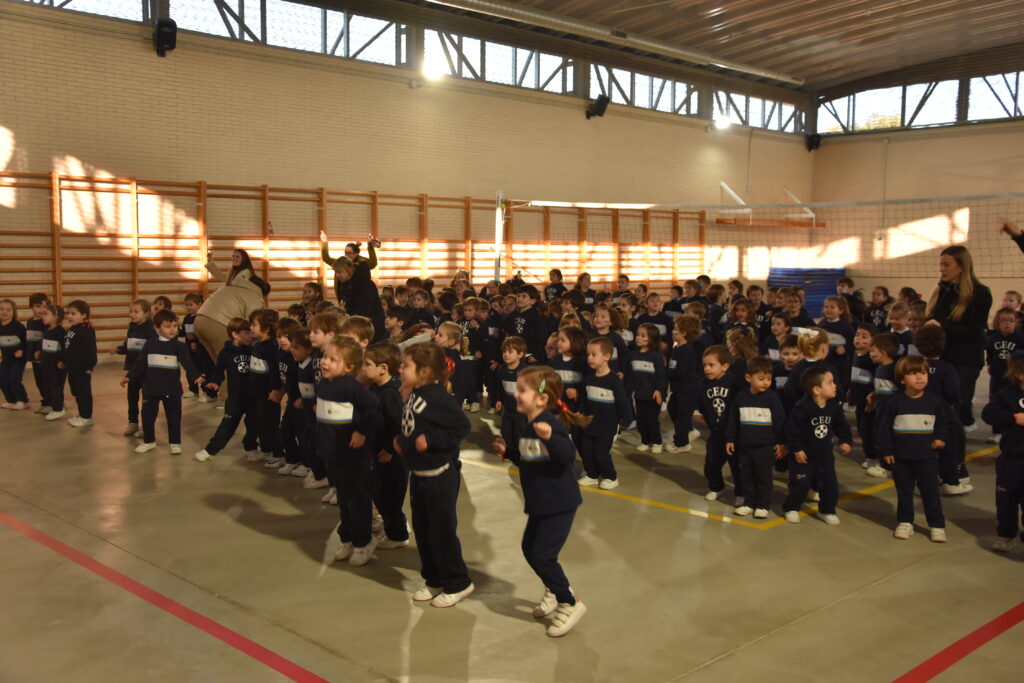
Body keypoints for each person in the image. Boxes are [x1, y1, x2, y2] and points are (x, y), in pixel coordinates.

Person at [494, 366, 590, 637]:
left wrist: (550, 438)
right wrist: (509, 452)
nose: (516, 393)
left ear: (542, 399)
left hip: (559, 502)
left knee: (543, 555)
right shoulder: (529, 425)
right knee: (529, 549)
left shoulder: (549, 424)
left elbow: (566, 456)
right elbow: (530, 456)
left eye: (522, 390)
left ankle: (570, 602)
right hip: (540, 501)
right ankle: (554, 586)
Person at [394, 342, 474, 608]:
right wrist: (402, 441)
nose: (401, 369)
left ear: (425, 372)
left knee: (442, 532)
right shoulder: (416, 392)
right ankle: (434, 578)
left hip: (439, 476)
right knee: (424, 530)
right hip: (419, 475)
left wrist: (432, 439)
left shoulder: (438, 397)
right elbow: (412, 424)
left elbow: (461, 426)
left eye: (406, 366)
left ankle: (458, 581)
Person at [319, 337, 381, 567]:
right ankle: (347, 538)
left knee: (358, 500)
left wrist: (361, 432)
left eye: (333, 360)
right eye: (325, 357)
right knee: (343, 500)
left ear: (348, 367)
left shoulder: (349, 386)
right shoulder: (325, 383)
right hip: (333, 455)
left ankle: (364, 541)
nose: (325, 362)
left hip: (352, 455)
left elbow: (372, 406)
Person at [876, 356, 950, 542]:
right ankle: (905, 522)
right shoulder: (895, 402)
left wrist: (940, 438)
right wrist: (886, 450)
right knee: (904, 492)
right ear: (902, 379)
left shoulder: (934, 402)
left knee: (930, 492)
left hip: (927, 458)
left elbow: (943, 422)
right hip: (901, 458)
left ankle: (937, 525)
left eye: (923, 373)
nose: (919, 377)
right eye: (913, 373)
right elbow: (884, 428)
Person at [924, 245, 992, 433]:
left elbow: (974, 331)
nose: (941, 269)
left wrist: (942, 327)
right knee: (938, 404)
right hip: (943, 356)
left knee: (956, 406)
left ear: (961, 266)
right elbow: (936, 318)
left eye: (946, 265)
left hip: (966, 360)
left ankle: (956, 457)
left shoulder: (980, 293)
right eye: (940, 264)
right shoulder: (943, 291)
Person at [124, 310, 203, 455]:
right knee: (147, 418)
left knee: (173, 418)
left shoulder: (179, 346)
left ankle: (175, 442)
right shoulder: (149, 344)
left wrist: (196, 376)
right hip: (151, 389)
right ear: (157, 327)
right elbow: (140, 363)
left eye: (174, 326)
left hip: (172, 389)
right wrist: (129, 376)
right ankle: (149, 441)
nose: (172, 329)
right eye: (167, 326)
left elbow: (187, 363)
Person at [195, 248, 269, 402]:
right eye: (233, 256)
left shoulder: (239, 283)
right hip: (217, 322)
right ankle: (226, 399)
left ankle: (212, 394)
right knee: (230, 363)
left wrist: (210, 264)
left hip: (200, 318)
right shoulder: (254, 294)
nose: (234, 258)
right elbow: (253, 319)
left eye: (237, 256)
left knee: (219, 362)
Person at [783, 367, 853, 525]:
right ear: (816, 389)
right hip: (803, 456)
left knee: (830, 484)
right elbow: (792, 430)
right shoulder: (802, 408)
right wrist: (797, 449)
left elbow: (842, 426)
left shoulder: (833, 406)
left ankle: (827, 509)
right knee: (800, 484)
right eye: (830, 383)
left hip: (825, 455)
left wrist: (845, 440)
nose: (835, 385)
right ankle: (792, 507)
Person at [725, 356, 786, 518]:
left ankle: (763, 505)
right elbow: (733, 420)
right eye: (761, 379)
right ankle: (748, 503)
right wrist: (730, 439)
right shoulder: (741, 397)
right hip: (744, 446)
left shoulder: (772, 398)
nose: (766, 382)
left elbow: (780, 421)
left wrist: (780, 442)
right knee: (746, 477)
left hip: (765, 447)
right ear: (748, 378)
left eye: (768, 379)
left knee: (763, 478)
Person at [194, 318, 258, 462]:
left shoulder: (254, 349)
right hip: (235, 397)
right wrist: (215, 383)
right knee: (228, 424)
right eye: (246, 332)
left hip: (252, 396)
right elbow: (219, 371)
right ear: (235, 334)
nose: (251, 335)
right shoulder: (226, 352)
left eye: (251, 332)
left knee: (254, 424)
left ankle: (251, 448)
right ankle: (211, 450)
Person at [980, 350, 1024, 552]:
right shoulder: (1006, 395)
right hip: (1012, 458)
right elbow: (989, 414)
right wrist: (1014, 418)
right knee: (1006, 499)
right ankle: (1006, 534)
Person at [578, 337, 632, 489]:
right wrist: (580, 415)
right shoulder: (589, 379)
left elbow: (623, 401)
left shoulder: (614, 381)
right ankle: (592, 474)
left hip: (607, 426)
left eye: (594, 354)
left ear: (607, 357)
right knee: (587, 451)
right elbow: (585, 400)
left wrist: (626, 419)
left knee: (601, 453)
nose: (589, 358)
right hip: (590, 425)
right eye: (588, 354)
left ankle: (610, 476)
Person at [699, 345, 740, 504]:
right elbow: (702, 404)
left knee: (737, 466)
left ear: (725, 366)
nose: (707, 369)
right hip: (716, 433)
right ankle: (716, 487)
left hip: (734, 435)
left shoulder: (733, 383)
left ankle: (741, 493)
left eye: (711, 365)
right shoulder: (703, 384)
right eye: (704, 365)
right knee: (711, 464)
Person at [116, 299, 156, 437]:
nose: (132, 314)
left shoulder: (150, 330)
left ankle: (146, 427)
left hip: (147, 371)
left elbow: (153, 349)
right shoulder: (132, 327)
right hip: (133, 370)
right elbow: (129, 344)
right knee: (132, 397)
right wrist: (120, 349)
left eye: (136, 312)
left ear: (146, 313)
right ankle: (133, 422)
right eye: (130, 311)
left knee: (146, 400)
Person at [626, 323, 668, 452]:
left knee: (652, 420)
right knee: (641, 420)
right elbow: (630, 376)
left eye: (643, 336)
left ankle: (656, 442)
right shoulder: (633, 355)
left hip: (653, 395)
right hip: (639, 394)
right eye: (638, 335)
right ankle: (645, 440)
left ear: (652, 339)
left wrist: (659, 391)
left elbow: (662, 376)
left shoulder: (655, 356)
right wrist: (630, 391)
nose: (638, 337)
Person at [331, 256, 386, 342]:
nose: (337, 275)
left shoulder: (365, 284)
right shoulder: (345, 284)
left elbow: (365, 309)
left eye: (339, 272)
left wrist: (347, 318)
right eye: (335, 272)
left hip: (371, 326)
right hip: (356, 324)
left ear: (349, 269)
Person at [62, 300, 97, 427]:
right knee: (76, 392)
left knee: (83, 393)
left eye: (73, 313)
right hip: (72, 368)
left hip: (82, 369)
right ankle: (82, 413)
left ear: (83, 315)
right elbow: (68, 347)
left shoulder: (87, 330)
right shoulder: (72, 329)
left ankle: (87, 416)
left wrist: (89, 366)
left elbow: (91, 350)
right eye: (68, 313)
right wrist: (64, 361)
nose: (69, 316)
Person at [320, 231, 379, 300]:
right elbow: (326, 258)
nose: (347, 255)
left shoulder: (362, 263)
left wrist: (370, 247)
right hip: (342, 294)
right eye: (345, 253)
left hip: (358, 296)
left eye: (349, 253)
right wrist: (325, 242)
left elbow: (373, 263)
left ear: (356, 253)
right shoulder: (341, 263)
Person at [0, 298, 28, 409]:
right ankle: (11, 400)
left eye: (8, 310)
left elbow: (25, 341)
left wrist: (21, 350)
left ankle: (23, 400)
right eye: (1, 309)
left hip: (19, 359)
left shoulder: (18, 327)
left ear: (13, 312)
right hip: (6, 359)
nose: (4, 312)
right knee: (2, 378)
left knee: (13, 379)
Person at [39, 304, 66, 421]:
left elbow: (65, 349)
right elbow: (47, 346)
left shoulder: (60, 332)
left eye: (46, 314)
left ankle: (58, 409)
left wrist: (62, 360)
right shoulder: (47, 330)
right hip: (47, 365)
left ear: (55, 317)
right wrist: (40, 353)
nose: (43, 316)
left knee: (56, 388)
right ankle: (52, 405)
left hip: (56, 367)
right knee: (47, 386)